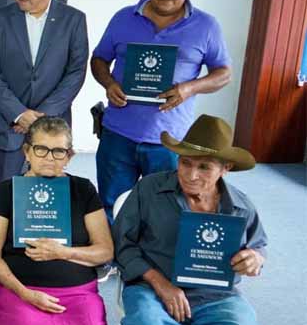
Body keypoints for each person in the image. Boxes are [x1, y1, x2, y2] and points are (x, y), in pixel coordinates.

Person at [91, 0, 232, 221]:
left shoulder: (206, 26)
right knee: (111, 205)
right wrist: (109, 83)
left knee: (165, 210)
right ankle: (113, 249)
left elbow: (223, 74)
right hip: (118, 133)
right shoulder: (123, 18)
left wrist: (189, 89)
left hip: (170, 139)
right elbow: (98, 59)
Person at [113, 114, 265, 325]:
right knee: (147, 321)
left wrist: (255, 258)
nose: (191, 175)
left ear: (225, 168)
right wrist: (160, 283)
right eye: (185, 163)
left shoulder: (241, 206)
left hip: (216, 296)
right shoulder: (148, 189)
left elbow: (258, 245)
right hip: (150, 289)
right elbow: (122, 244)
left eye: (204, 167)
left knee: (240, 321)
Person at [0, 116, 113, 325]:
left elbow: (105, 252)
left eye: (58, 151)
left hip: (79, 294)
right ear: (27, 152)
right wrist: (25, 294)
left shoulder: (83, 190)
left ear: (69, 156)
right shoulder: (7, 190)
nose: (49, 158)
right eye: (41, 149)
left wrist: (62, 252)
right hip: (21, 292)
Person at [0, 0, 89, 190]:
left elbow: (76, 72)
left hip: (53, 131)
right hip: (9, 127)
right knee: (5, 198)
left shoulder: (73, 20)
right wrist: (19, 114)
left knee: (47, 199)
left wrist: (41, 118)